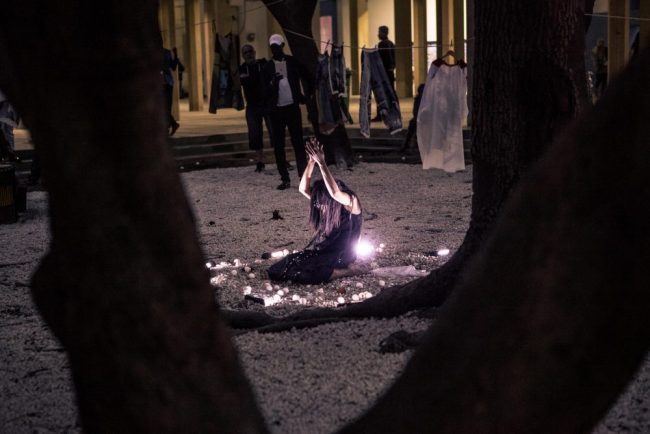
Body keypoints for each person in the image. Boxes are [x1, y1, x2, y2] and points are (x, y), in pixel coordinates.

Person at [268, 137, 364, 284]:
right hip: (324, 251)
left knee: (308, 274)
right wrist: (311, 162)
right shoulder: (323, 201)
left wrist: (322, 162)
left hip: (342, 254)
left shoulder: (349, 201)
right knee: (280, 268)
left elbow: (335, 193)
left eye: (322, 200)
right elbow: (302, 189)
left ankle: (348, 271)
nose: (320, 204)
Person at [262, 34, 311, 190]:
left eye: (277, 47)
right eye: (273, 47)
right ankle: (285, 178)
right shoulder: (267, 67)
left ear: (282, 46)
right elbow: (263, 91)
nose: (275, 50)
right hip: (276, 111)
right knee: (278, 145)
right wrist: (272, 83)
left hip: (292, 108)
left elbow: (307, 75)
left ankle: (303, 178)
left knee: (298, 142)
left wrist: (304, 95)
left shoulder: (291, 61)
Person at [240, 44, 272, 172]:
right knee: (254, 133)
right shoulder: (242, 69)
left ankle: (281, 158)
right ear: (243, 55)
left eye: (250, 51)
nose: (248, 54)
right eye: (245, 52)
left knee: (274, 131)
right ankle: (260, 160)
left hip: (266, 103)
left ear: (254, 52)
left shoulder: (263, 64)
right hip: (252, 105)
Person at [371, 25, 396, 122]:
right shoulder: (391, 43)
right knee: (391, 94)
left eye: (379, 32)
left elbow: (381, 60)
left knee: (380, 94)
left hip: (383, 73)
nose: (378, 34)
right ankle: (393, 113)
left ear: (384, 33)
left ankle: (380, 115)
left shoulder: (382, 44)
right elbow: (393, 59)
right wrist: (392, 68)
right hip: (389, 73)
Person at [401, 83, 425, 152]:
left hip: (426, 118)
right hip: (418, 118)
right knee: (413, 124)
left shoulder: (429, 99)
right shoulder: (417, 99)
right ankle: (405, 144)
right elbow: (415, 111)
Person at [162, 45, 180, 136]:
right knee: (162, 107)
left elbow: (173, 67)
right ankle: (173, 124)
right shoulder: (153, 53)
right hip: (159, 84)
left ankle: (168, 127)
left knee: (166, 107)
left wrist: (176, 55)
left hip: (167, 83)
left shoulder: (166, 53)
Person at [0, 89, 20, 163]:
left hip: (5, 104)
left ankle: (9, 154)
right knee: (6, 131)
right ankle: (8, 154)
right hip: (5, 103)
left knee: (6, 130)